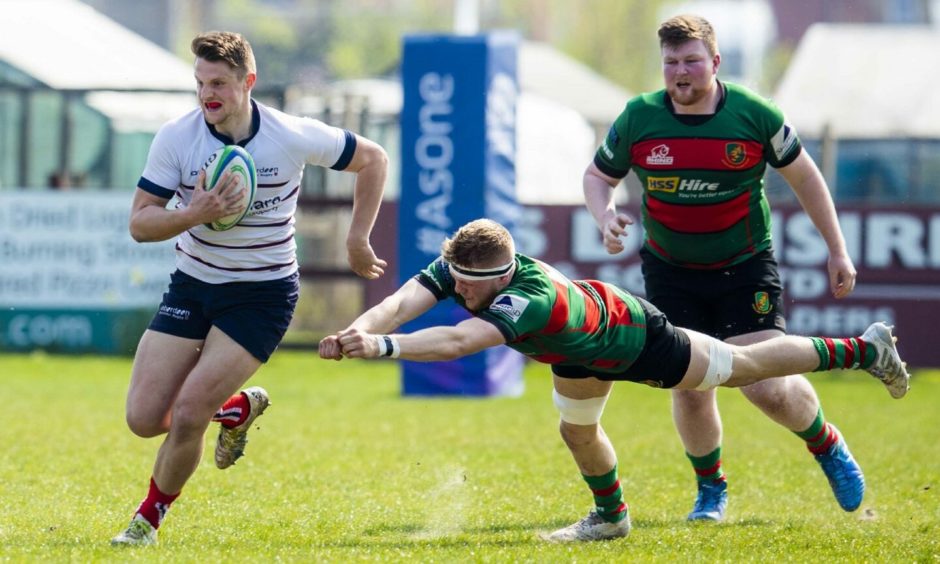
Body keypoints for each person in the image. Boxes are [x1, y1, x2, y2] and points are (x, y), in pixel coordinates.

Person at [318, 218, 909, 542]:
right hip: (573, 353)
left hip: (633, 339)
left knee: (745, 369)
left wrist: (382, 347)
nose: (459, 292)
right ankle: (611, 517)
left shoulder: (528, 298)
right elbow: (399, 303)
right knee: (577, 432)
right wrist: (357, 331)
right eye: (455, 280)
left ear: (500, 276)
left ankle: (863, 349)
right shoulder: (465, 269)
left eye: (469, 286)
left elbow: (458, 341)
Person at [581, 13, 875, 522]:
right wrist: (604, 214)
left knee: (763, 385)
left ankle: (826, 443)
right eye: (671, 62)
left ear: (714, 62)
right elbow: (596, 175)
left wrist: (837, 248)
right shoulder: (639, 118)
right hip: (671, 270)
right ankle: (711, 491)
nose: (681, 72)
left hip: (744, 265)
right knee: (691, 385)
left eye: (692, 61)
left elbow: (806, 178)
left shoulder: (755, 114)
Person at [111, 31, 389, 546]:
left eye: (217, 82)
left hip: (262, 294)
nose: (206, 94)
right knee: (144, 418)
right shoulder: (177, 137)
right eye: (199, 82)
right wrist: (195, 213)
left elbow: (373, 159)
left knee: (190, 412)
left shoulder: (289, 134)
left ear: (248, 82)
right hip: (192, 286)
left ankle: (145, 523)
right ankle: (236, 408)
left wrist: (357, 237)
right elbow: (140, 223)